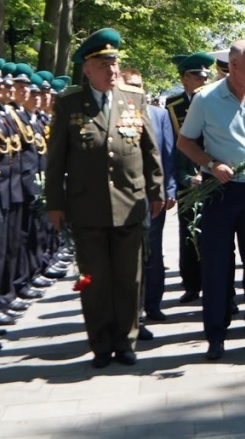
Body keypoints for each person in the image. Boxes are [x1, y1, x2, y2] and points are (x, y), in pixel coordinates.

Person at [45, 28, 165, 368]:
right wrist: (54, 203)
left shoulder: (134, 99)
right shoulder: (69, 104)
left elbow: (150, 150)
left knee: (130, 277)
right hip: (87, 206)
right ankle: (100, 343)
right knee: (94, 279)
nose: (111, 70)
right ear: (87, 68)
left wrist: (156, 191)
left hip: (130, 202)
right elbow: (56, 159)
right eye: (103, 64)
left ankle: (126, 341)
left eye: (114, 63)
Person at [177, 40, 245, 360]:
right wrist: (211, 164)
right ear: (234, 66)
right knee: (216, 264)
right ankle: (216, 335)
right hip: (219, 190)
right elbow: (185, 142)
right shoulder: (207, 98)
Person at [120, 69, 176, 323]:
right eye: (131, 85)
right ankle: (132, 309)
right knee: (129, 255)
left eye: (139, 85)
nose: (137, 89)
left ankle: (153, 303)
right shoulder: (115, 114)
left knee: (153, 251)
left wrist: (169, 188)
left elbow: (167, 155)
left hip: (153, 196)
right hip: (124, 197)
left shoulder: (159, 114)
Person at [165, 53, 212, 305]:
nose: (203, 80)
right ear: (185, 79)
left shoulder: (214, 101)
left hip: (214, 175)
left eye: (205, 76)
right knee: (189, 233)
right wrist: (183, 178)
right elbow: (172, 147)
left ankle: (217, 285)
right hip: (189, 179)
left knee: (215, 234)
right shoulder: (173, 107)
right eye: (197, 76)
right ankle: (192, 284)